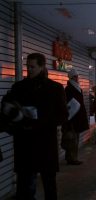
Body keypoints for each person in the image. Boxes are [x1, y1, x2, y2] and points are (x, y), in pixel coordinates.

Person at [0, 53, 68, 200]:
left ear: (42, 66)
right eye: (27, 66)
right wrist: (14, 114)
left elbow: (63, 115)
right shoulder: (18, 87)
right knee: (24, 185)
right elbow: (6, 109)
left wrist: (41, 120)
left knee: (49, 183)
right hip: (24, 142)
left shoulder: (55, 88)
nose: (29, 69)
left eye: (32, 66)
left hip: (45, 141)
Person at [61, 69, 89, 165]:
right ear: (72, 77)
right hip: (72, 118)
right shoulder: (69, 89)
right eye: (76, 77)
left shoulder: (76, 88)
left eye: (78, 76)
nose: (78, 78)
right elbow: (68, 105)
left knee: (74, 138)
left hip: (77, 117)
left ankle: (71, 157)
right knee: (72, 139)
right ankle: (72, 158)